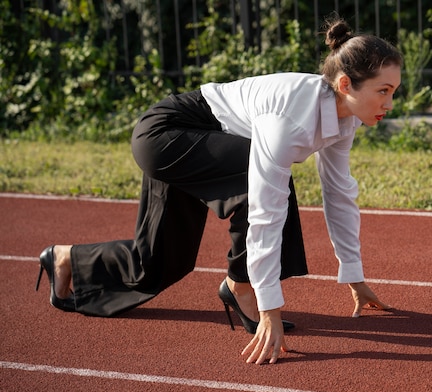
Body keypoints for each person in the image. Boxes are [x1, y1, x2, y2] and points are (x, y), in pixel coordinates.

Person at [35, 17, 403, 365]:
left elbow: (339, 193)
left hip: (202, 139)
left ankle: (70, 261)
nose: (389, 104)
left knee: (165, 262)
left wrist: (354, 277)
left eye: (393, 92)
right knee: (268, 183)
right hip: (167, 132)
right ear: (345, 85)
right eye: (382, 92)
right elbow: (264, 208)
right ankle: (241, 287)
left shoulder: (344, 118)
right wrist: (268, 309)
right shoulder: (289, 120)